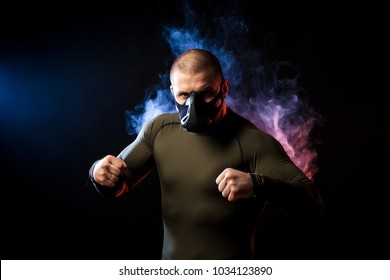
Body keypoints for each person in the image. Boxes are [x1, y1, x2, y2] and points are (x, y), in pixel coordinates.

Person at [88, 48, 323, 259]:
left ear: (224, 88)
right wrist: (97, 171)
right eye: (183, 95)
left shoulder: (252, 141)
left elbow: (312, 205)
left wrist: (257, 184)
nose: (194, 105)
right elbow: (114, 185)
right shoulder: (158, 130)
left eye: (206, 93)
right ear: (172, 92)